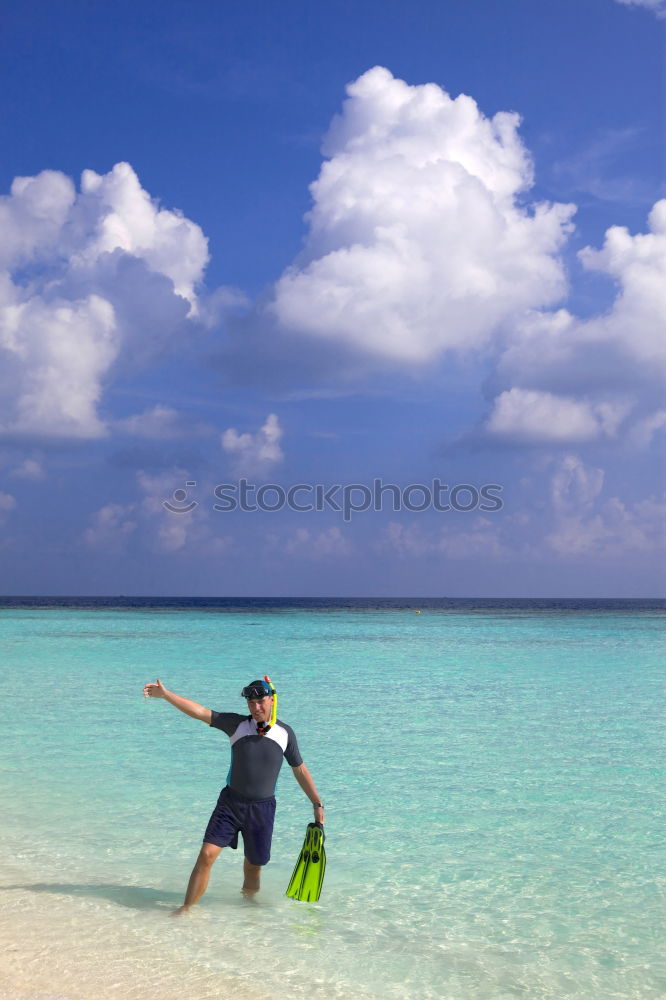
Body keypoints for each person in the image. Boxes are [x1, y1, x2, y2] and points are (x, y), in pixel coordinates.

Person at [142, 676, 324, 915]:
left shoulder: (285, 733)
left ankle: (248, 911)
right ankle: (185, 909)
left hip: (262, 809)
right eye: (251, 703)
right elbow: (200, 712)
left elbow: (299, 769)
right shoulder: (238, 725)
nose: (256, 708)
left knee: (254, 867)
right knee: (207, 854)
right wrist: (167, 695)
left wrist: (316, 803)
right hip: (230, 803)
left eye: (260, 702)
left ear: (272, 700)